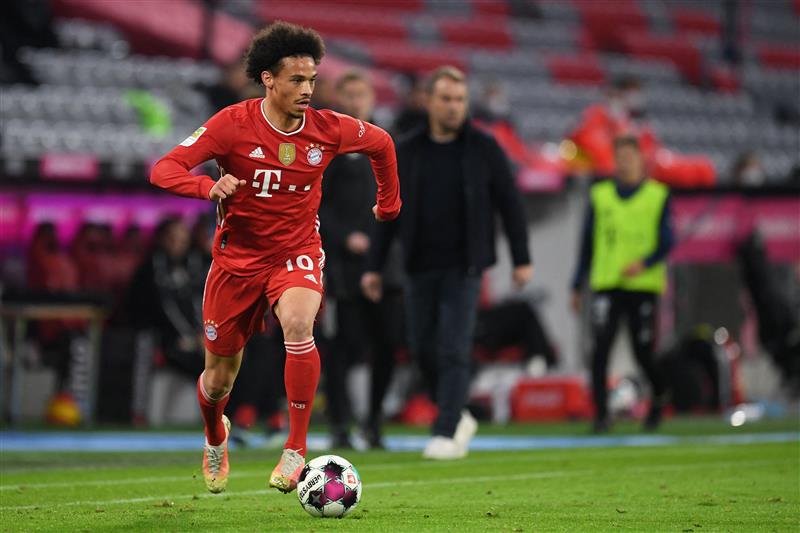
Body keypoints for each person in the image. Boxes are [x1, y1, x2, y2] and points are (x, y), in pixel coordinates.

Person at [150, 22, 401, 494]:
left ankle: (296, 448)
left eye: (311, 79)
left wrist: (389, 203)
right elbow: (164, 169)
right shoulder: (231, 124)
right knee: (219, 380)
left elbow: (382, 144)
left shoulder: (328, 128)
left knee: (301, 325)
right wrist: (208, 186)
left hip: (296, 251)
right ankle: (214, 436)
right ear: (268, 79)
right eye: (296, 80)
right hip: (236, 262)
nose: (307, 89)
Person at [362, 66, 533, 460]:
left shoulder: (485, 148)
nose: (454, 107)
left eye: (460, 100)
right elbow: (388, 210)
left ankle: (446, 427)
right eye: (446, 99)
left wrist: (521, 259)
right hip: (419, 263)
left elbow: (511, 205)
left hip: (466, 265)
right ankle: (457, 412)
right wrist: (374, 265)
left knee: (454, 345)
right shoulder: (406, 150)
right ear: (430, 101)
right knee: (422, 348)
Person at [319, 70, 405, 449]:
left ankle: (373, 421)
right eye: (349, 95)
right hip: (343, 270)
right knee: (341, 348)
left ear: (372, 99)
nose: (356, 101)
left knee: (387, 343)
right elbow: (315, 206)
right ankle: (340, 423)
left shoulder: (385, 144)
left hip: (386, 266)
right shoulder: (328, 148)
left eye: (362, 94)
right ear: (339, 99)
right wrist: (342, 237)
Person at [570, 135, 674, 433]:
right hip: (607, 284)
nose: (625, 162)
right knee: (600, 349)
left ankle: (658, 396)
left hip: (641, 286)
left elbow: (668, 240)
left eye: (630, 156)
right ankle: (601, 414)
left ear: (641, 159)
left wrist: (645, 262)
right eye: (621, 157)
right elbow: (587, 243)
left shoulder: (657, 195)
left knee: (643, 351)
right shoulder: (600, 195)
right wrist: (577, 284)